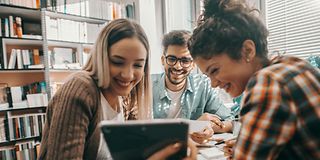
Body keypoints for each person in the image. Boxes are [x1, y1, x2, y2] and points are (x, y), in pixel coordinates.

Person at [38, 19, 196, 160]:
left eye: (138, 65)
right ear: (101, 57)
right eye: (117, 62)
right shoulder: (80, 89)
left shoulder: (125, 97)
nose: (128, 75)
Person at [188, 0, 320, 159]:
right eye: (208, 76)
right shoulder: (294, 64)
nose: (213, 83)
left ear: (247, 51)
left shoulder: (268, 82)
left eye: (215, 70)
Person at [152, 30, 233, 135]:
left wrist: (207, 127)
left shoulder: (203, 85)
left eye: (185, 61)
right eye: (172, 59)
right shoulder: (146, 87)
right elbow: (140, 130)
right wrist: (194, 126)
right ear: (163, 60)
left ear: (193, 64)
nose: (177, 66)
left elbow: (231, 121)